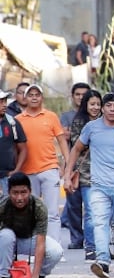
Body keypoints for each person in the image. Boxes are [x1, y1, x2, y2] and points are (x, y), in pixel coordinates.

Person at [63, 93, 114, 278]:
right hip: (98, 186)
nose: (111, 110)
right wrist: (68, 174)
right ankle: (103, 262)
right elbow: (76, 149)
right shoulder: (91, 128)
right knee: (99, 223)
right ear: (102, 108)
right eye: (108, 106)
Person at [16, 84, 69, 231]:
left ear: (41, 97)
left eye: (37, 95)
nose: (34, 97)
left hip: (49, 169)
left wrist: (67, 163)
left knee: (52, 214)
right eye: (31, 95)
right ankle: (33, 251)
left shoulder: (51, 116)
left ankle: (55, 252)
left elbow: (62, 140)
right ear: (25, 98)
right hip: (27, 171)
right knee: (30, 213)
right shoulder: (17, 120)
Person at [0, 172, 63, 278]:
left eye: (23, 192)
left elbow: (40, 242)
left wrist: (34, 277)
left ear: (30, 191)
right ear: (9, 192)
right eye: (15, 193)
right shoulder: (3, 205)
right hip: (9, 243)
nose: (19, 198)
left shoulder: (39, 207)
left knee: (56, 251)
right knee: (5, 236)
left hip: (31, 240)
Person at [65, 89, 102, 261]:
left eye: (98, 104)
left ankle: (101, 244)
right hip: (86, 172)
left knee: (100, 212)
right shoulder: (79, 121)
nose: (95, 107)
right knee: (90, 211)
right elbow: (77, 145)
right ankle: (91, 247)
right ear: (85, 105)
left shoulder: (107, 121)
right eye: (92, 104)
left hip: (104, 172)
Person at [0, 90, 27, 198]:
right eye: (1, 102)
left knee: (7, 211)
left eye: (5, 101)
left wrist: (16, 170)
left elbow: (23, 149)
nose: (4, 105)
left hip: (7, 177)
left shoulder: (13, 122)